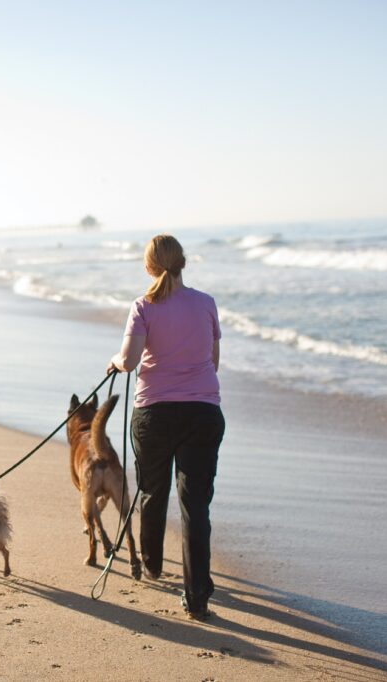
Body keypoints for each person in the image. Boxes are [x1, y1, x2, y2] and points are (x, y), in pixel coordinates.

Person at [106, 233, 225, 620]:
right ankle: (197, 597)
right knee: (195, 506)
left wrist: (115, 361)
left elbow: (129, 359)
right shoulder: (206, 304)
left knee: (153, 493)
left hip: (154, 414)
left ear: (149, 267)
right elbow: (214, 361)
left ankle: (154, 566)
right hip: (203, 413)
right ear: (183, 263)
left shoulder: (143, 306)